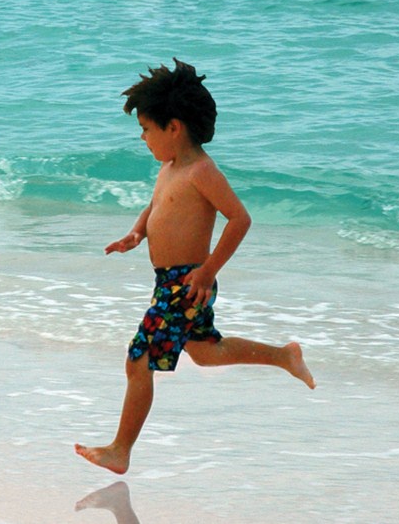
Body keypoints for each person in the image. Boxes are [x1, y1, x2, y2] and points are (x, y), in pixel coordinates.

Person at [75, 61, 314, 474]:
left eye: (147, 130)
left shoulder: (203, 171)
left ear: (174, 128)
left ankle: (120, 450)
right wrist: (136, 233)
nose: (143, 139)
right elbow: (156, 207)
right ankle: (283, 356)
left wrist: (206, 271)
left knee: (139, 359)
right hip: (169, 282)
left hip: (187, 283)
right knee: (205, 351)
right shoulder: (170, 169)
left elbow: (240, 219)